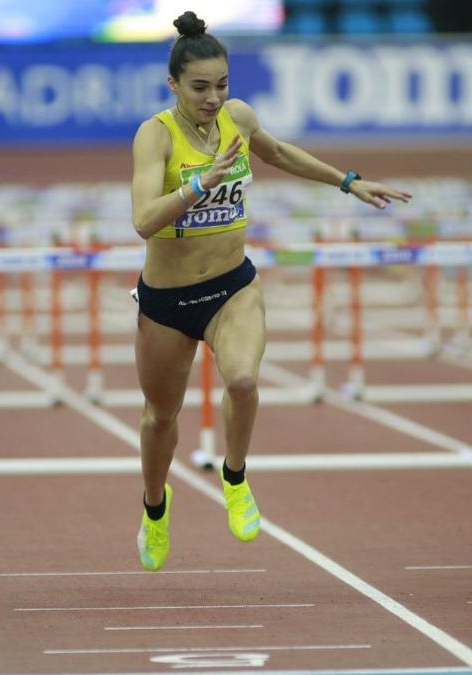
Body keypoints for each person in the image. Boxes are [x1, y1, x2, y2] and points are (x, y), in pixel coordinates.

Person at [130, 11, 412, 571]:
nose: (214, 98)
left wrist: (349, 182)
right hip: (166, 302)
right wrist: (199, 183)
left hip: (232, 285)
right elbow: (143, 220)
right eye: (200, 88)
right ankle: (155, 509)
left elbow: (279, 153)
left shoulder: (238, 118)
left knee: (242, 378)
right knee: (161, 418)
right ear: (174, 86)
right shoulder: (154, 136)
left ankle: (234, 478)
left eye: (223, 85)